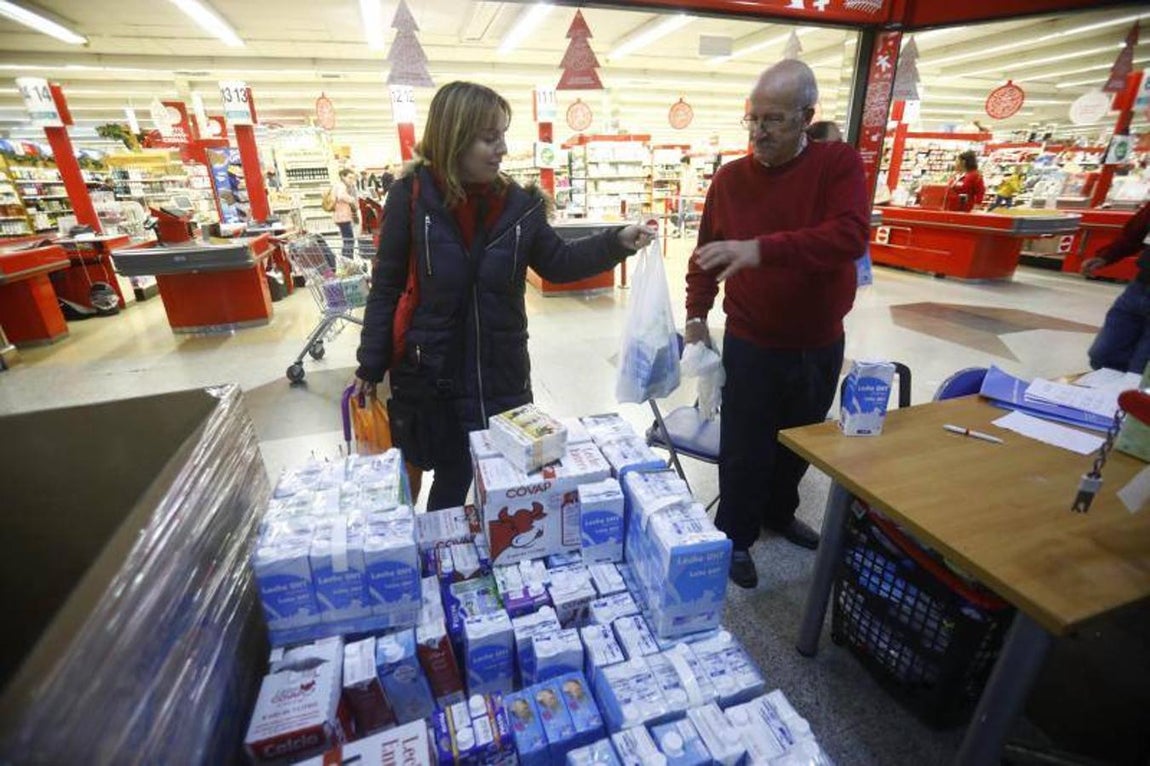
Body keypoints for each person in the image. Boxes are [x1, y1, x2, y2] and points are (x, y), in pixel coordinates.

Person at [353, 81, 653, 511]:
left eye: (503, 136)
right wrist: (371, 361)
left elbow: (558, 263)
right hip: (435, 372)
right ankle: (447, 563)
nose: (503, 149)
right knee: (452, 479)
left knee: (513, 486)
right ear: (455, 138)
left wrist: (616, 241)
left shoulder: (519, 206)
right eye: (490, 138)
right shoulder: (411, 197)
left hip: (502, 373)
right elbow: (386, 286)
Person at [684, 59, 868, 589]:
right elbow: (707, 254)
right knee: (745, 447)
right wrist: (697, 313)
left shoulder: (837, 165)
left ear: (806, 117)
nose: (759, 132)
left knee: (800, 440)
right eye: (753, 119)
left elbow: (848, 236)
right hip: (753, 340)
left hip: (819, 341)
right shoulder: (730, 180)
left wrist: (761, 250)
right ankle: (735, 537)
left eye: (774, 120)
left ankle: (778, 513)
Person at [1081, 201, 1150, 374]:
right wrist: (1106, 256)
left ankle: (1130, 397)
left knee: (1140, 369)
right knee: (1103, 356)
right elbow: (1135, 233)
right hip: (1139, 289)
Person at [332, 168, 359, 259]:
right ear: (343, 177)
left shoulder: (340, 185)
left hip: (341, 216)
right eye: (349, 178)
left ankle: (346, 260)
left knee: (347, 240)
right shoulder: (341, 186)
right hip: (343, 216)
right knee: (349, 241)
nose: (351, 180)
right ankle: (347, 261)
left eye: (352, 178)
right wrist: (352, 199)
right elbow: (341, 196)